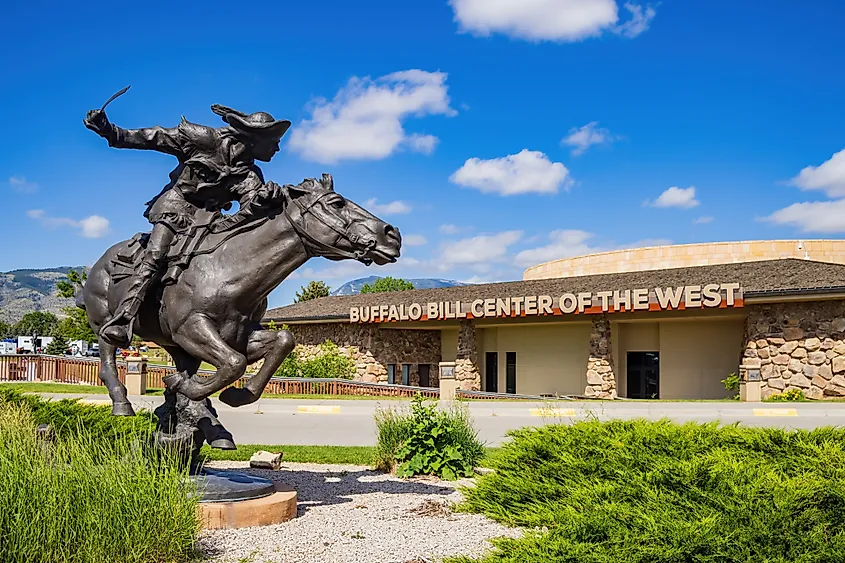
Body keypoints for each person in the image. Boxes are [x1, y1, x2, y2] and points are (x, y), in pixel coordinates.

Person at [83, 104, 291, 348]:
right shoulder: (206, 140)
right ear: (255, 139)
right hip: (176, 208)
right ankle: (124, 316)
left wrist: (267, 201)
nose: (277, 147)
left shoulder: (250, 175)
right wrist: (111, 131)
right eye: (274, 140)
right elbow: (155, 138)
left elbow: (250, 212)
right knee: (156, 254)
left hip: (209, 220)